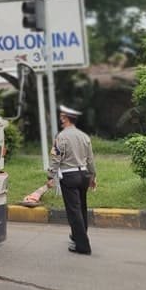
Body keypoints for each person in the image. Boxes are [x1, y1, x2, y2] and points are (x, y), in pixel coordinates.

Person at [47, 105, 97, 255]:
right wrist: (92, 177)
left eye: (62, 117)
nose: (60, 120)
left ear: (66, 119)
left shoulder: (61, 137)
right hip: (83, 176)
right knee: (81, 208)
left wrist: (50, 176)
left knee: (74, 211)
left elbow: (56, 158)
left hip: (69, 176)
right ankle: (77, 236)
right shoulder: (84, 136)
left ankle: (82, 246)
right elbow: (90, 160)